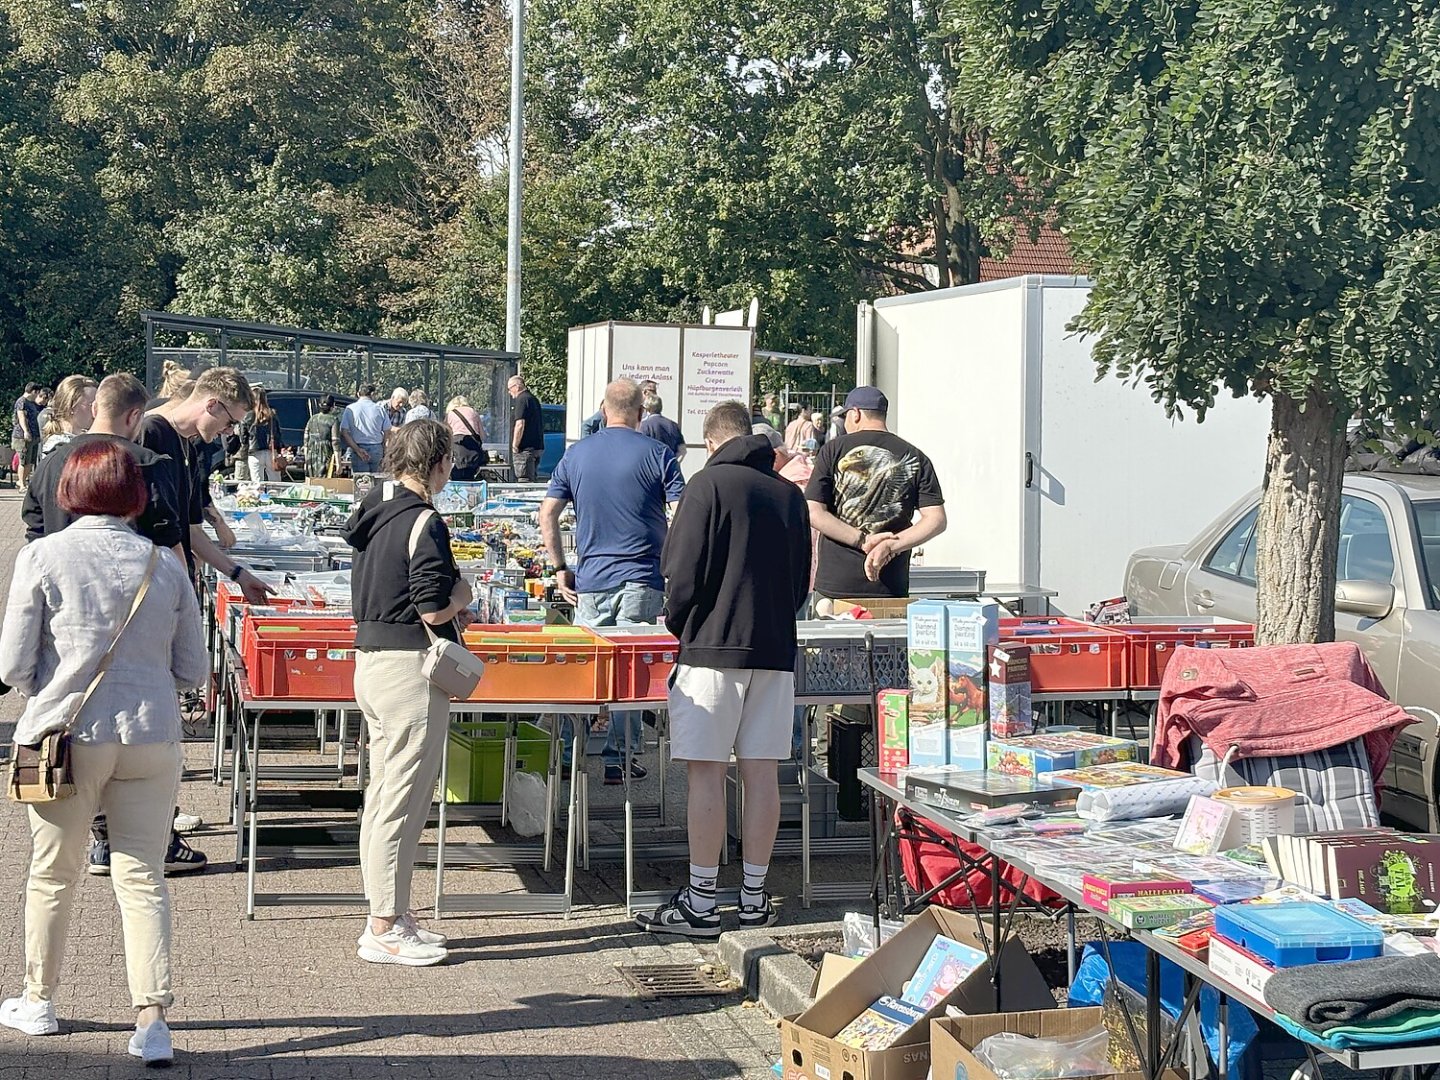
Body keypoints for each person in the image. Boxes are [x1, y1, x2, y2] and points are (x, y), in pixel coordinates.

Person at [0, 441, 209, 1064]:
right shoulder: (163, 564)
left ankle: (39, 998)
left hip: (65, 739)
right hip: (151, 734)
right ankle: (151, 1020)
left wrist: (53, 684)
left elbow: (12, 666)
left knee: (52, 873)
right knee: (142, 877)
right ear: (133, 495)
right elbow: (193, 668)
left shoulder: (42, 557)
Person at [636, 401, 810, 937]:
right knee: (762, 774)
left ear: (711, 443)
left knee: (705, 772)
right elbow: (801, 579)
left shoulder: (706, 487)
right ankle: (755, 896)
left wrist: (682, 626)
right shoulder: (788, 495)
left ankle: (702, 900)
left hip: (711, 648)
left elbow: (680, 572)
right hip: (775, 650)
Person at [344, 420, 471, 967]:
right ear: (438, 462)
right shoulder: (424, 519)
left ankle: (389, 910)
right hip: (408, 668)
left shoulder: (374, 510)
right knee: (403, 798)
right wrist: (462, 593)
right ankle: (384, 923)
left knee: (385, 796)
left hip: (371, 659)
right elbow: (431, 605)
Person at [540, 379, 685, 784]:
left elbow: (547, 513)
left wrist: (559, 566)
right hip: (643, 576)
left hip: (592, 577)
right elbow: (682, 514)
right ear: (641, 413)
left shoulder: (577, 455)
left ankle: (571, 752)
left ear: (603, 410)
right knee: (633, 671)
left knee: (587, 667)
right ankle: (618, 758)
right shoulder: (658, 455)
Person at [805, 387, 947, 601]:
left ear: (856, 413)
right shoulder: (916, 456)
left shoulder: (833, 450)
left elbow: (814, 512)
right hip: (890, 583)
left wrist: (861, 540)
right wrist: (893, 545)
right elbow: (936, 519)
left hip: (836, 584)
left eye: (845, 417)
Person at [39, 375, 98, 459]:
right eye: (91, 405)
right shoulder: (59, 449)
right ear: (70, 406)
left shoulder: (83, 440)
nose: (96, 410)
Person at [340, 385, 392, 475]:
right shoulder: (379, 409)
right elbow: (387, 432)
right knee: (376, 480)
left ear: (358, 394)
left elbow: (344, 432)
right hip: (376, 448)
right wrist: (384, 449)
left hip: (358, 447)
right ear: (372, 394)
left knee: (361, 482)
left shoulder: (350, 409)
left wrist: (357, 449)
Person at [507, 374, 544, 481]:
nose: (509, 392)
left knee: (524, 481)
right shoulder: (533, 399)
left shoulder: (521, 399)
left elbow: (520, 424)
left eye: (510, 389)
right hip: (536, 447)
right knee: (532, 479)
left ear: (517, 386)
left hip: (524, 449)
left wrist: (515, 445)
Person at [241, 387, 281, 482]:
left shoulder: (248, 416)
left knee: (257, 484)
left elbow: (243, 437)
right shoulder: (272, 414)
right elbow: (278, 434)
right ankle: (274, 496)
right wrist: (278, 448)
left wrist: (246, 444)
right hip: (271, 452)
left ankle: (258, 496)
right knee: (275, 483)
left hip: (254, 452)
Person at [445, 395, 487, 481]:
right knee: (470, 476)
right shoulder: (473, 412)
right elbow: (482, 435)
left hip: (458, 448)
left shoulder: (450, 414)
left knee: (457, 476)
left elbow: (446, 435)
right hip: (474, 451)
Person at [12, 382, 43, 492]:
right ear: (34, 391)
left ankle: (23, 481)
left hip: (34, 435)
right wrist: (26, 431)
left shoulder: (31, 403)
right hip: (22, 436)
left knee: (30, 462)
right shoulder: (22, 402)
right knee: (23, 460)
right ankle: (21, 484)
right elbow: (21, 417)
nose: (37, 396)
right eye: (37, 393)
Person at [303, 395, 342, 478]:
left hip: (312, 455)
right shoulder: (334, 420)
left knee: (312, 482)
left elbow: (306, 441)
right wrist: (338, 463)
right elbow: (335, 442)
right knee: (325, 482)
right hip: (326, 454)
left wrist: (306, 460)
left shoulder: (312, 419)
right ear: (333, 406)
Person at [639, 393, 686, 460]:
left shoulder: (644, 426)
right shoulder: (673, 425)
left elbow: (640, 450)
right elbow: (682, 450)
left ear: (648, 408)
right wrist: (674, 464)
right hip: (669, 465)